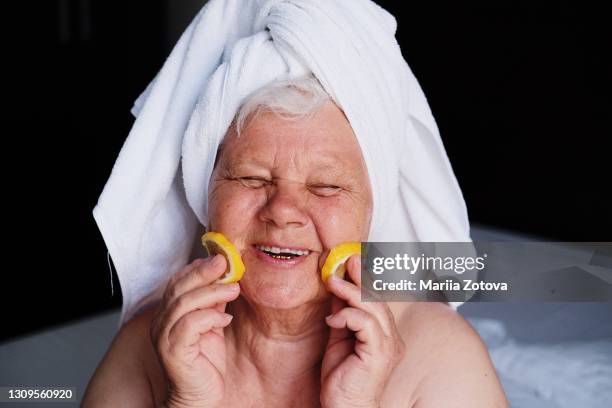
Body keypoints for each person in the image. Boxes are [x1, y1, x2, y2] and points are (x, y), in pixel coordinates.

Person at [83, 76, 507, 407]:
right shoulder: (149, 344)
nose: (283, 209)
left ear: (371, 214)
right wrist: (188, 402)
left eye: (325, 186)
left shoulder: (440, 354)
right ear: (204, 196)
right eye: (251, 178)